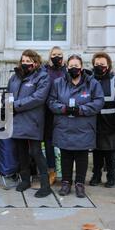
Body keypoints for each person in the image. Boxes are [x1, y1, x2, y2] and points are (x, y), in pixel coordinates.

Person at [48, 54, 104, 198]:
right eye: (71, 66)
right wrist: (64, 109)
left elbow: (98, 102)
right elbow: (51, 102)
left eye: (76, 65)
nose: (74, 68)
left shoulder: (92, 83)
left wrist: (81, 110)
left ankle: (80, 184)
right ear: (67, 67)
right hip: (64, 126)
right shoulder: (58, 83)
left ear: (82, 67)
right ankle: (66, 183)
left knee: (81, 156)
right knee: (65, 155)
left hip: (83, 126)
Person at [8, 50, 52, 197]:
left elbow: (38, 97)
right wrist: (6, 104)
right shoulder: (15, 77)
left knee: (36, 152)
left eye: (29, 61)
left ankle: (45, 185)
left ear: (36, 62)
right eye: (23, 60)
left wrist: (16, 105)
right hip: (17, 120)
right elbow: (8, 94)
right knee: (21, 153)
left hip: (33, 120)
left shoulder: (43, 76)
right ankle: (25, 180)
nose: (26, 63)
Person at [89, 52, 115, 188]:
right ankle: (96, 176)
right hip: (95, 122)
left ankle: (111, 177)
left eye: (102, 64)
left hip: (111, 123)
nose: (99, 66)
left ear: (108, 65)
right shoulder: (90, 79)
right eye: (97, 64)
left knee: (110, 154)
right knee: (97, 152)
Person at [41, 46, 67, 185]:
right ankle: (51, 170)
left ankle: (65, 172)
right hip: (47, 111)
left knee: (63, 141)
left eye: (59, 54)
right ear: (50, 56)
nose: (57, 56)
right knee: (49, 141)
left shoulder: (68, 70)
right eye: (54, 54)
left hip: (63, 110)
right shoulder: (44, 70)